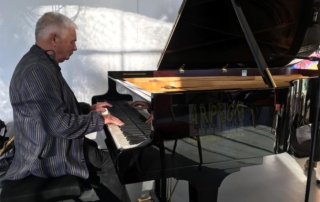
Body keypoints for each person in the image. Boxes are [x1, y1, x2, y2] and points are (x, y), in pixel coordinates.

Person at [2, 12, 130, 202]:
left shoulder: (39, 63)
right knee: (109, 162)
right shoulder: (38, 70)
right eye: (72, 42)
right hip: (46, 158)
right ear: (54, 39)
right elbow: (59, 125)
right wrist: (101, 119)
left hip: (49, 147)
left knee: (95, 152)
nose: (75, 47)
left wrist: (89, 109)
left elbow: (54, 108)